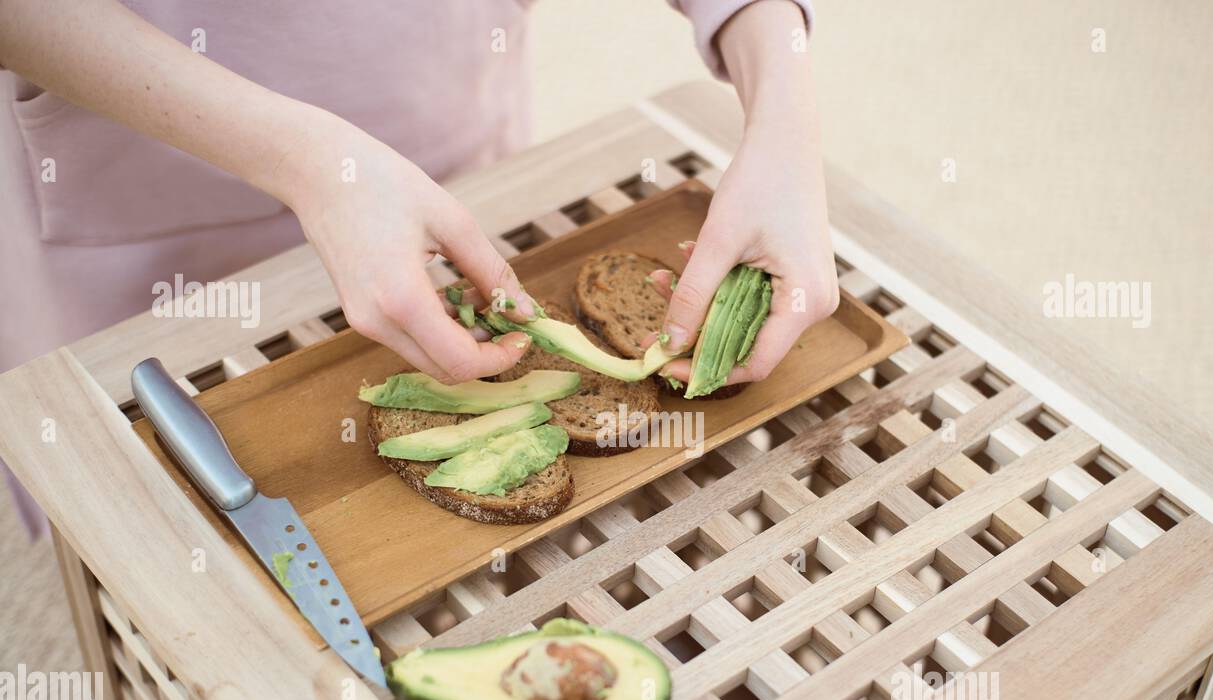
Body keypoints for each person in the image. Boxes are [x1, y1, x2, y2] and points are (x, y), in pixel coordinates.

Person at [0, 0, 838, 532]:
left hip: (444, 92)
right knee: (147, 516)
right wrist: (310, 163)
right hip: (147, 165)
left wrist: (785, 104)